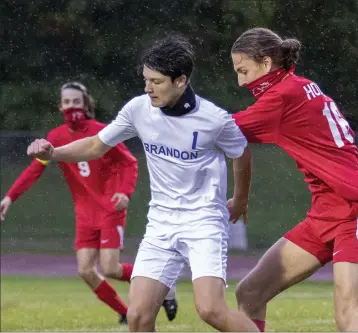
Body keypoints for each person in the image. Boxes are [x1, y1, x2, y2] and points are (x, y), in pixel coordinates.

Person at [25, 36, 260, 332]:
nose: (148, 88)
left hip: (204, 223)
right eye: (146, 80)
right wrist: (54, 153)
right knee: (138, 317)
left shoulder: (214, 120)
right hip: (160, 224)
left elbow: (241, 153)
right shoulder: (138, 109)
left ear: (181, 81)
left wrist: (240, 200)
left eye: (156, 81)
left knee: (211, 309)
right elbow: (97, 145)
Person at [230, 28, 358, 332]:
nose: (241, 81)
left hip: (353, 208)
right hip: (324, 214)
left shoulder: (282, 96)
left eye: (243, 71)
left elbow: (221, 131)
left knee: (349, 316)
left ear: (265, 62)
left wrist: (169, 114)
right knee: (249, 294)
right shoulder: (299, 86)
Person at [0, 81, 178, 324]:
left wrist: (124, 192)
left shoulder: (102, 133)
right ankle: (124, 312)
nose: (71, 106)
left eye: (76, 101)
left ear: (85, 104)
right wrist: (10, 197)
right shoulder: (56, 137)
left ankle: (163, 283)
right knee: (85, 270)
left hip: (110, 208)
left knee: (111, 268)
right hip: (84, 214)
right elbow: (34, 170)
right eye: (67, 102)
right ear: (60, 106)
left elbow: (129, 162)